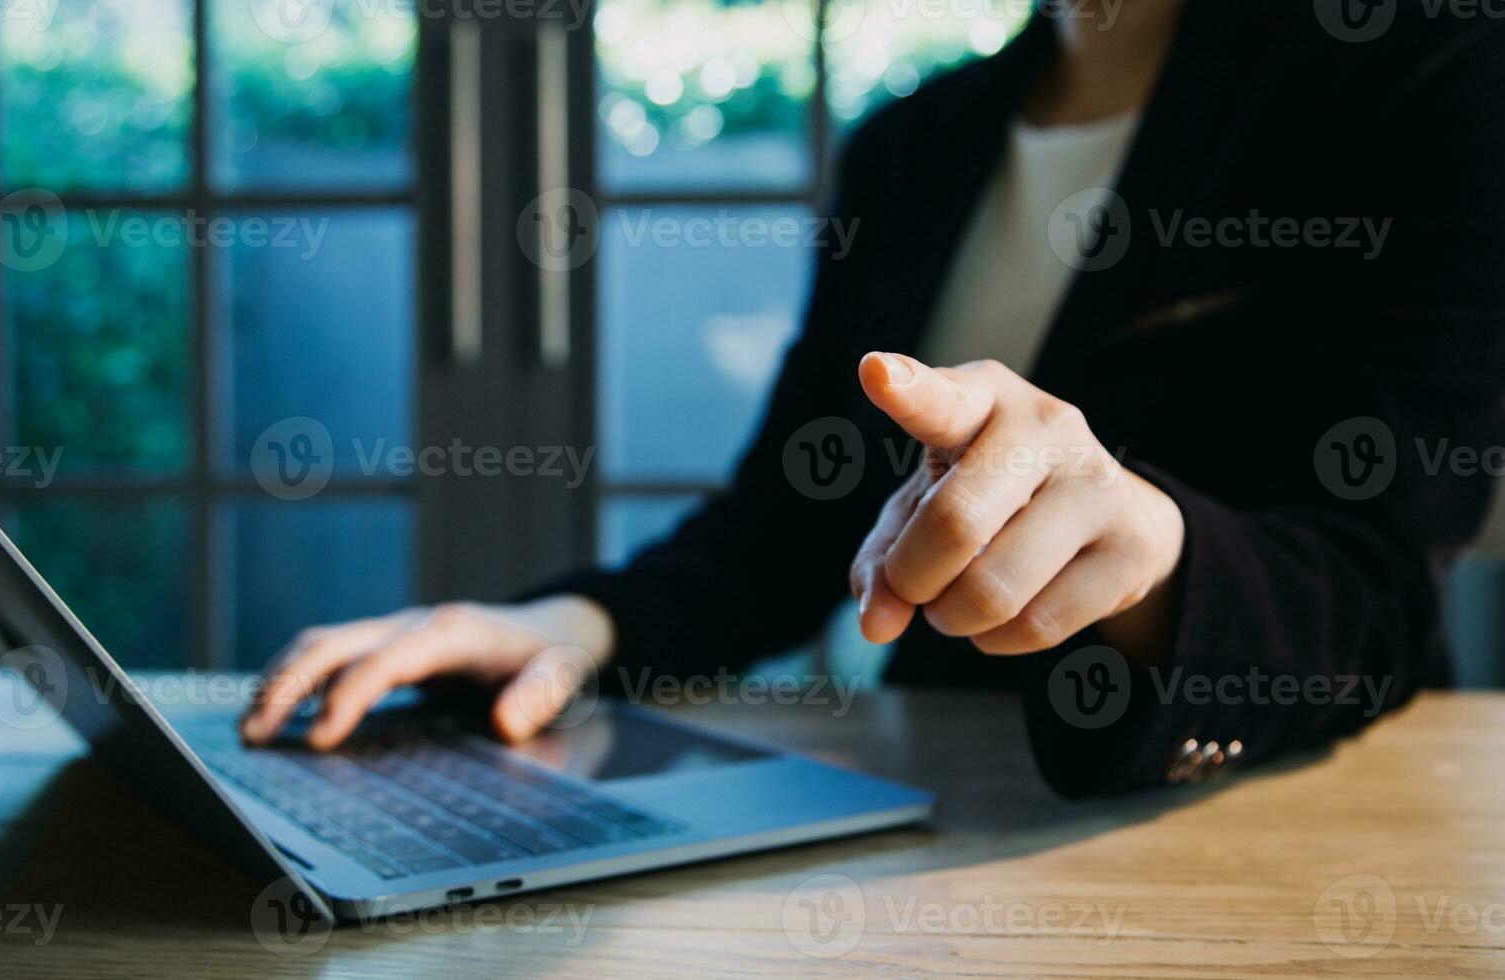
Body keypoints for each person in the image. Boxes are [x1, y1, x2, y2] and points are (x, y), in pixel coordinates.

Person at [241, 0, 1505, 796]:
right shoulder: (915, 142)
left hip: (1268, 820)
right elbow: (789, 524)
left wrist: (1149, 556)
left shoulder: (1424, 78)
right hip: (919, 813)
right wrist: (576, 626)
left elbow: (1372, 577)